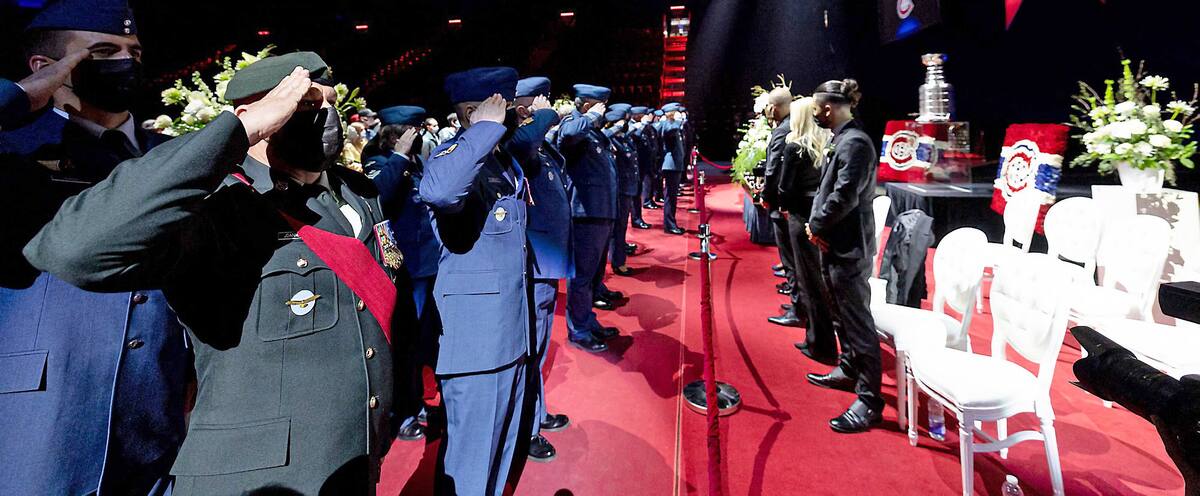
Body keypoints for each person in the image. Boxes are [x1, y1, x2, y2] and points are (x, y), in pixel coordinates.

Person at [27, 53, 416, 493]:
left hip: (352, 460)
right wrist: (235, 134)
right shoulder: (214, 205)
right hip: (255, 475)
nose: (327, 117)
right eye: (307, 105)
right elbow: (73, 251)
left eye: (331, 104)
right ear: (258, 114)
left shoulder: (356, 192)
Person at [0, 3, 191, 494]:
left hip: (156, 414)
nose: (126, 63)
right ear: (47, 67)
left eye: (134, 52)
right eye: (103, 52)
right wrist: (19, 98)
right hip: (40, 410)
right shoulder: (15, 150)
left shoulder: (170, 155)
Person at [420, 67, 532, 496]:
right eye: (508, 106)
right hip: (478, 346)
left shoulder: (502, 161)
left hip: (510, 336)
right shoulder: (452, 157)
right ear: (474, 111)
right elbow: (440, 192)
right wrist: (483, 128)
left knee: (500, 457)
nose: (518, 114)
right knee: (470, 467)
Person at [804, 78, 883, 434]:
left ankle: (869, 400)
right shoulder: (843, 139)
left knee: (857, 321)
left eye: (817, 109)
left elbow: (844, 196)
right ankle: (849, 368)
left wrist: (816, 225)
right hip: (835, 242)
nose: (815, 114)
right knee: (839, 313)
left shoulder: (855, 143)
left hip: (849, 246)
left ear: (828, 108)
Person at [363, 105, 443, 443]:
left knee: (425, 339)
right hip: (401, 266)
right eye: (412, 131)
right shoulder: (378, 160)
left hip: (427, 262)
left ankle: (419, 401)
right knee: (403, 341)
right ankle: (403, 409)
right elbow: (377, 196)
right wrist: (398, 156)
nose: (418, 137)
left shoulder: (416, 162)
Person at [509, 76, 574, 463]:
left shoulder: (540, 143)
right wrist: (544, 115)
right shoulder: (517, 138)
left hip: (546, 262)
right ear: (524, 107)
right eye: (541, 99)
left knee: (539, 346)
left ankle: (536, 413)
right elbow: (521, 145)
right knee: (530, 349)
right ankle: (526, 428)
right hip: (533, 263)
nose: (549, 103)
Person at [557, 83, 622, 353]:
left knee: (594, 275)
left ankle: (588, 321)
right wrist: (590, 116)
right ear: (586, 105)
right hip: (585, 213)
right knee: (582, 277)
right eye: (600, 106)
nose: (603, 111)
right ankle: (579, 330)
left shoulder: (593, 133)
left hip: (601, 211)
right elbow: (568, 135)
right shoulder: (574, 124)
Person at [777, 97, 838, 366]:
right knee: (818, 278)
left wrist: (784, 206)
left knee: (809, 281)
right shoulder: (827, 144)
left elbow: (785, 187)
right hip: (820, 214)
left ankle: (820, 344)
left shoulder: (795, 147)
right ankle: (816, 336)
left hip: (800, 216)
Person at [761, 86, 800, 325]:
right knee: (794, 257)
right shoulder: (794, 125)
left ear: (775, 107)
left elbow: (773, 167)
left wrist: (766, 194)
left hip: (782, 201)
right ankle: (798, 303)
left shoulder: (782, 130)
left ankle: (798, 308)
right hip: (793, 200)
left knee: (790, 257)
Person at [603, 103, 640, 276]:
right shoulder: (610, 139)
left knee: (621, 227)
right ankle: (618, 262)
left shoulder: (624, 138)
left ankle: (618, 257)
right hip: (619, 190)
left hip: (627, 188)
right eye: (624, 121)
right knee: (618, 228)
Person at [658, 103, 686, 235]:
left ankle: (671, 223)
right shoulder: (668, 125)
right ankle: (669, 225)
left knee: (673, 197)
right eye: (676, 112)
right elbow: (669, 131)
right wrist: (678, 121)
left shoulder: (674, 125)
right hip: (670, 165)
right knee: (670, 197)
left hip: (675, 165)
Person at [627, 105, 655, 229]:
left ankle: (638, 217)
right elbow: (635, 136)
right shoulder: (630, 126)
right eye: (643, 115)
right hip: (634, 164)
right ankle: (636, 219)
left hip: (642, 164)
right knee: (635, 194)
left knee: (638, 193)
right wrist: (642, 125)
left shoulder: (643, 127)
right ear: (637, 116)